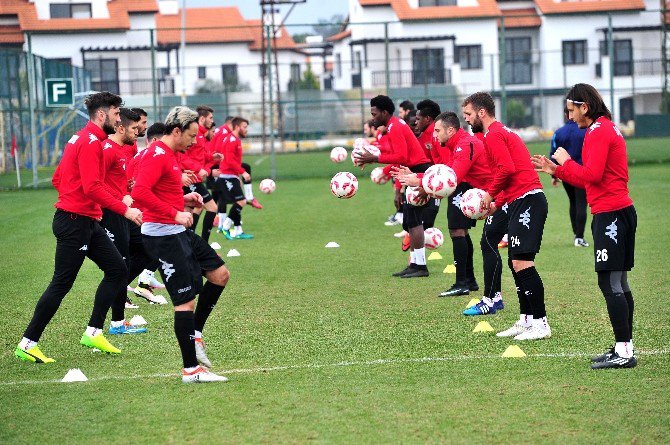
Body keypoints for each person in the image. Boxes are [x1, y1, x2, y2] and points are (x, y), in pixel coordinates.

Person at [15, 92, 143, 363]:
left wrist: (83, 206)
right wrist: (125, 209)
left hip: (84, 220)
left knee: (118, 269)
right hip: (73, 223)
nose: (119, 118)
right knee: (61, 283)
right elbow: (92, 186)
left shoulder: (82, 137)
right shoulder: (91, 142)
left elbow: (58, 178)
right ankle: (27, 343)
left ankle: (93, 331)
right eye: (116, 113)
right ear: (102, 114)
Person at [532, 84, 637, 369]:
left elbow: (591, 175)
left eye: (571, 110)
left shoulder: (598, 131)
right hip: (616, 211)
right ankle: (623, 346)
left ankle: (624, 352)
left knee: (610, 281)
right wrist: (557, 169)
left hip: (612, 214)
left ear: (584, 107)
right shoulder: (604, 128)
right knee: (619, 281)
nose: (569, 116)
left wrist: (563, 164)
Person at [132, 106, 230, 383]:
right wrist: (175, 213)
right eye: (191, 135)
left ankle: (195, 333)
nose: (195, 141)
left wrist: (185, 201)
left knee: (220, 275)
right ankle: (191, 370)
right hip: (163, 236)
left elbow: (161, 191)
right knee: (184, 302)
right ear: (176, 131)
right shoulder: (156, 155)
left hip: (177, 230)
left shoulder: (170, 154)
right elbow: (139, 192)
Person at [462, 92, 551, 340]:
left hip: (529, 200)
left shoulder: (494, 135)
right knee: (515, 261)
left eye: (468, 114)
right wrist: (496, 203)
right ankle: (526, 320)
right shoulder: (500, 132)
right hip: (516, 200)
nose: (466, 120)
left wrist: (489, 196)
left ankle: (541, 323)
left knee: (523, 262)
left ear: (481, 112)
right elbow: (510, 174)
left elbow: (506, 169)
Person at [356, 95, 432, 278]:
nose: (373, 118)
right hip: (410, 172)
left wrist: (375, 159)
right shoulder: (392, 126)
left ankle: (420, 266)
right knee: (409, 220)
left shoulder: (395, 126)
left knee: (414, 220)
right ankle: (415, 263)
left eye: (374, 114)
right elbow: (397, 155)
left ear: (384, 112)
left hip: (417, 171)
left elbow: (402, 156)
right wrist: (385, 169)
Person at [99, 107, 149, 333]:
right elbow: (95, 185)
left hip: (123, 211)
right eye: (134, 128)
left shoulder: (124, 148)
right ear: (121, 128)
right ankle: (117, 322)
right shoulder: (108, 150)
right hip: (111, 213)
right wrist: (121, 197)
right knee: (119, 265)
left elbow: (118, 180)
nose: (138, 132)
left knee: (144, 250)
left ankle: (117, 316)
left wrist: (128, 188)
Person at [550, 108, 589, 247]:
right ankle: (579, 237)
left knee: (573, 202)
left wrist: (554, 175)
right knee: (581, 203)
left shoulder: (558, 133)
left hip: (565, 173)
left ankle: (576, 234)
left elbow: (553, 155)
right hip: (581, 172)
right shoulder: (586, 131)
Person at [217, 117, 254, 240]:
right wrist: (243, 172)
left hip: (232, 176)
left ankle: (237, 230)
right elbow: (229, 160)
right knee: (241, 201)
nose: (246, 130)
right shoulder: (231, 140)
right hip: (227, 176)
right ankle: (225, 226)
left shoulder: (235, 139)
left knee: (238, 202)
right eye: (244, 127)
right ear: (237, 127)